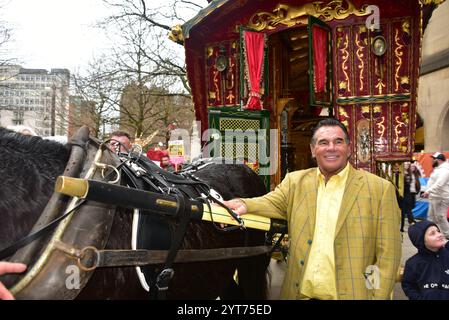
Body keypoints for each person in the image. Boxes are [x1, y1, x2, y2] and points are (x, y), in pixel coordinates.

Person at [224, 118, 401, 300]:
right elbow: (270, 202)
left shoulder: (379, 189)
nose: (331, 147)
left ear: (349, 148)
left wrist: (376, 295)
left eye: (338, 142)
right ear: (313, 150)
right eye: (323, 142)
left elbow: (387, 257)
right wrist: (244, 204)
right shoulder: (296, 182)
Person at [401, 220, 449, 299]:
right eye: (432, 233)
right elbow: (408, 285)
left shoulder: (447, 253)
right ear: (421, 241)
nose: (439, 234)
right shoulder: (413, 263)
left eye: (438, 231)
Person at [422, 152, 449, 239]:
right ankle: (432, 235)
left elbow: (439, 184)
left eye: (434, 159)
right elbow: (433, 183)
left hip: (441, 197)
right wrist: (428, 191)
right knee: (431, 217)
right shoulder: (438, 169)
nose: (432, 160)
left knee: (440, 217)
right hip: (434, 197)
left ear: (439, 160)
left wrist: (427, 192)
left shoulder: (445, 170)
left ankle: (447, 235)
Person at [400, 162, 420, 232]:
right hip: (402, 194)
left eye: (408, 165)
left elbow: (412, 184)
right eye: (406, 164)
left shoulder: (410, 174)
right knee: (403, 210)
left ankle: (410, 222)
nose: (407, 166)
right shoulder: (401, 173)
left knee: (408, 208)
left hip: (408, 194)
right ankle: (403, 226)